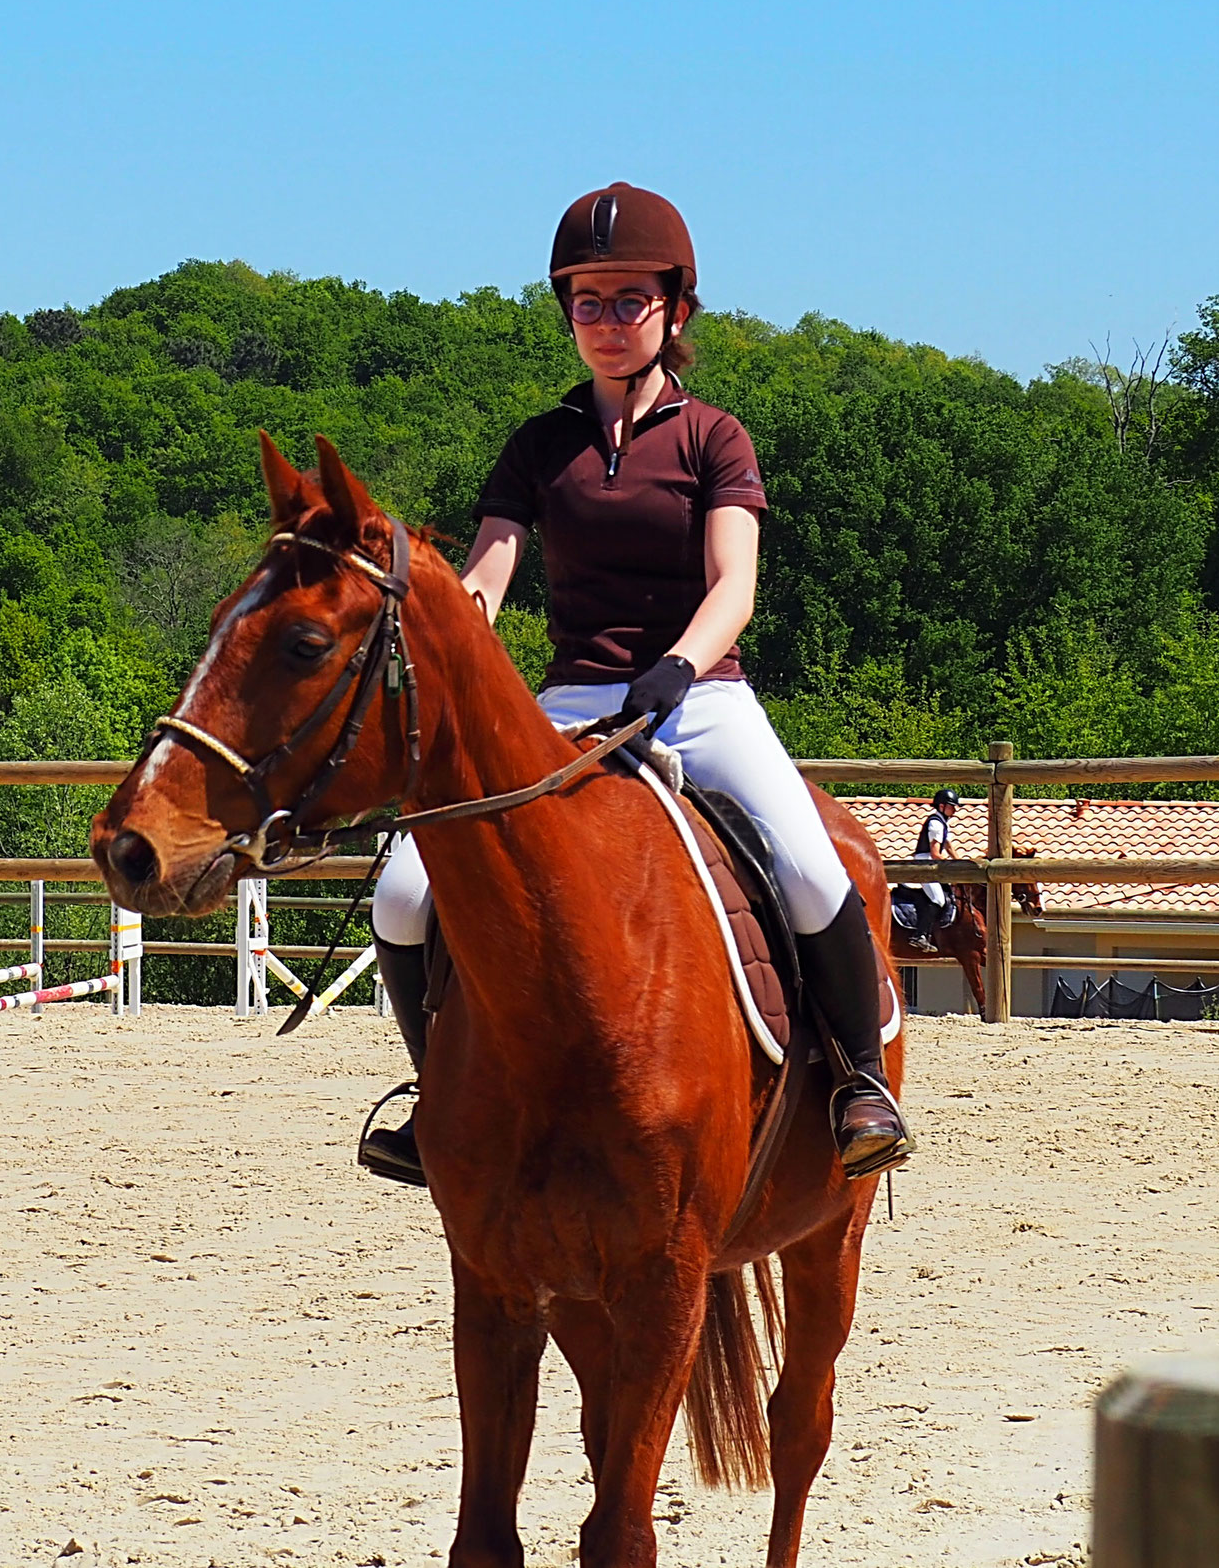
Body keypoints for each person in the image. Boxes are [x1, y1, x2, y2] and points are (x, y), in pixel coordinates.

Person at [359, 182, 912, 1188]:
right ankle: (435, 1094)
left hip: (698, 695)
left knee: (808, 866)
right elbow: (487, 571)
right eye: (587, 303)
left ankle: (855, 1085)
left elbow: (733, 583)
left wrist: (674, 668)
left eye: (627, 301)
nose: (606, 324)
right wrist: (452, 631)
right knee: (401, 891)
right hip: (570, 699)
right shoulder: (540, 445)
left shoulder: (713, 438)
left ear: (675, 310)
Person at [892, 788, 960, 940]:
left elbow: (948, 846)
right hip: (925, 865)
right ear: (941, 806)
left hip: (931, 864)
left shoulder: (943, 824)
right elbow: (936, 853)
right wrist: (950, 865)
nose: (955, 810)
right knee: (938, 899)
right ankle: (920, 935)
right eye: (951, 806)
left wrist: (961, 863)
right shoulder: (935, 824)